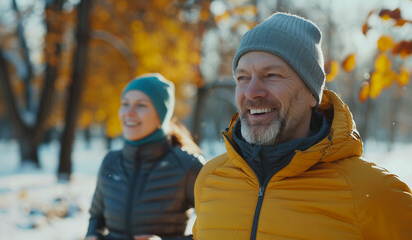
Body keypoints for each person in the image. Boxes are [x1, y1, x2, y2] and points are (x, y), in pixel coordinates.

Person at [192, 12, 412, 240]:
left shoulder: (375, 194)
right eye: (242, 78)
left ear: (312, 94)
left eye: (272, 75)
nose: (251, 92)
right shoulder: (210, 179)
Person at [86, 73, 204, 240]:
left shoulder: (188, 166)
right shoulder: (110, 162)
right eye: (125, 104)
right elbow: (96, 217)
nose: (129, 113)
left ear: (161, 115)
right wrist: (92, 235)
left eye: (141, 105)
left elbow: (216, 230)